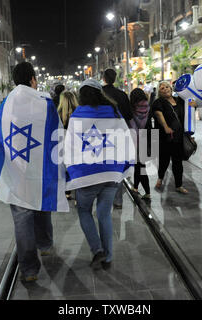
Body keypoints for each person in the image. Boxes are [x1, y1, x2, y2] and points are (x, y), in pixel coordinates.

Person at [0, 61, 69, 282]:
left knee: (22, 216)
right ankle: (45, 244)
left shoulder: (5, 104)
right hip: (39, 167)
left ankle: (29, 269)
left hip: (14, 169)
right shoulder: (45, 103)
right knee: (42, 203)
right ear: (32, 79)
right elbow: (56, 134)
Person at [64, 79, 134, 270]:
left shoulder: (77, 115)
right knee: (104, 214)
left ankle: (97, 250)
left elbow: (69, 146)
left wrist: (70, 171)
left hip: (87, 174)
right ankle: (108, 258)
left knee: (84, 211)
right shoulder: (114, 112)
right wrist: (123, 167)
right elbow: (126, 141)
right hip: (111, 172)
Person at [102, 68, 132, 209]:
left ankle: (103, 199)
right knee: (117, 168)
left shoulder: (99, 94)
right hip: (120, 135)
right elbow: (129, 116)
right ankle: (118, 200)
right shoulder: (122, 95)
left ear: (104, 78)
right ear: (115, 78)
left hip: (101, 136)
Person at [152, 81, 189, 194]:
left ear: (171, 88)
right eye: (162, 88)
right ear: (159, 91)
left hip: (178, 137)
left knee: (178, 162)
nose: (165, 89)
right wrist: (165, 126)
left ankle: (179, 185)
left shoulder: (179, 101)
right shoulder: (158, 102)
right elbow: (159, 115)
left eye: (167, 87)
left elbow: (187, 114)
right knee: (164, 160)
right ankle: (160, 178)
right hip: (165, 138)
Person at [129, 88, 152, 200]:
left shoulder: (131, 109)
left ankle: (147, 192)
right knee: (140, 166)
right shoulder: (148, 107)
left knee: (139, 167)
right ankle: (136, 187)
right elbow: (149, 126)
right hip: (145, 139)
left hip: (134, 140)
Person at [57, 90, 78, 200]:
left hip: (62, 142)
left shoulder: (58, 112)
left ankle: (67, 192)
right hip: (76, 141)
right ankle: (77, 193)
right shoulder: (78, 111)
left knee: (65, 166)